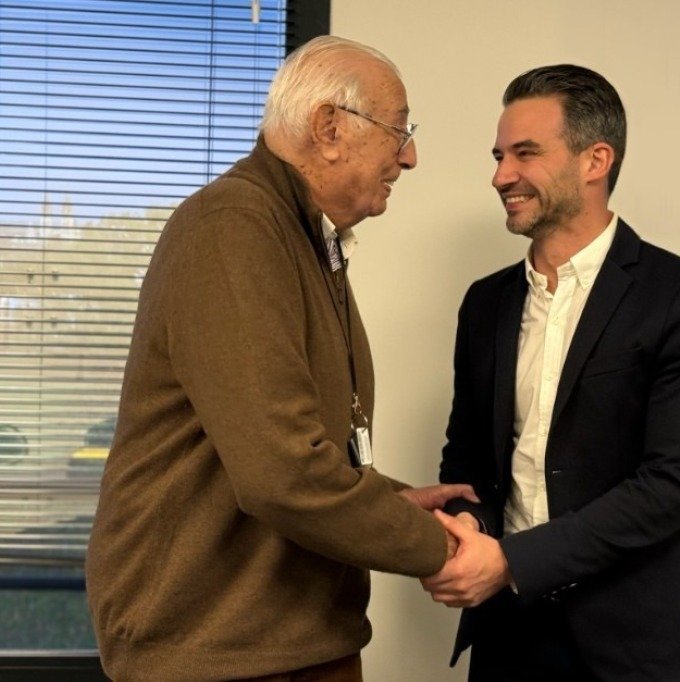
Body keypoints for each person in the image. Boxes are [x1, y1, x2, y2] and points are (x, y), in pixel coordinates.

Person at [86, 36, 476, 682]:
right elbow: (282, 472)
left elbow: (298, 438)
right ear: (329, 128)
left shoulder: (301, 236)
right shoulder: (233, 228)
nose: (409, 156)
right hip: (216, 648)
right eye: (399, 132)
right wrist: (444, 550)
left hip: (280, 636)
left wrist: (390, 501)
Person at [422, 65, 680, 681]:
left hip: (640, 644)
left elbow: (670, 486)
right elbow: (466, 458)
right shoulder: (483, 304)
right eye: (498, 155)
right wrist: (468, 528)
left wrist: (513, 560)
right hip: (506, 635)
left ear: (596, 161)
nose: (500, 175)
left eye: (525, 153)